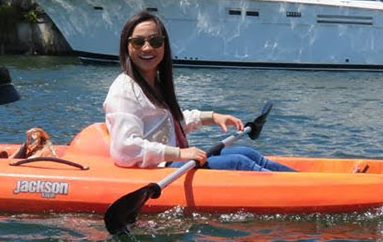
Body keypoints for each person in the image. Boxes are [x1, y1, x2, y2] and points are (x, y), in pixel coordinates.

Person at [103, 11, 295, 172]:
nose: (147, 48)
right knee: (239, 163)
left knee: (247, 153)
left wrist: (212, 116)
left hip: (171, 160)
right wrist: (180, 153)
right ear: (127, 47)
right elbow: (125, 150)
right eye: (138, 42)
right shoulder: (124, 90)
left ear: (164, 45)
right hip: (160, 167)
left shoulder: (155, 83)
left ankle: (308, 182)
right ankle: (300, 192)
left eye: (155, 41)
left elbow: (167, 124)